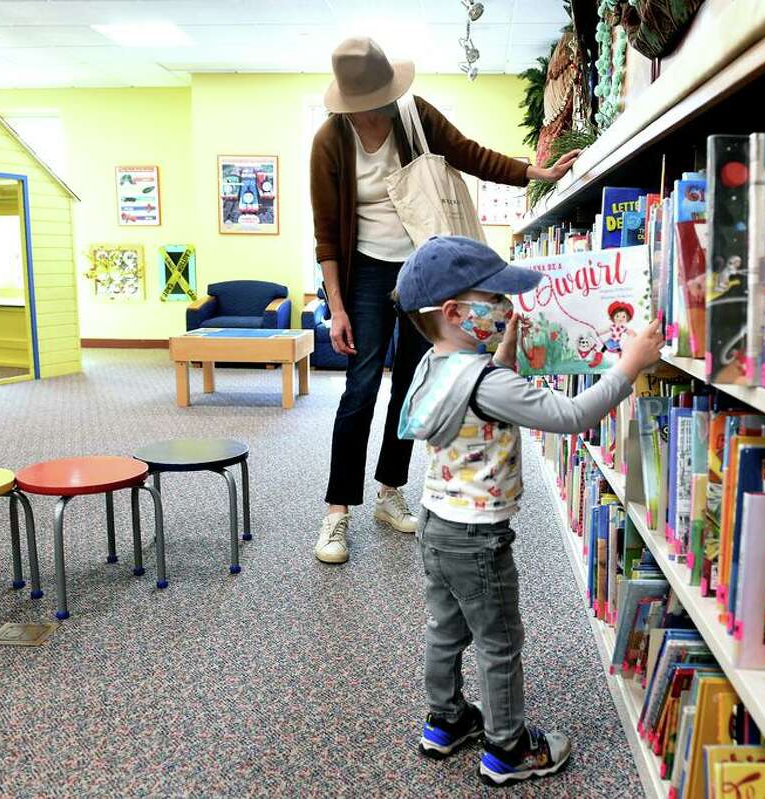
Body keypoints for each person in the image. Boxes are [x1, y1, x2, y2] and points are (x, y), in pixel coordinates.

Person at [393, 235, 664, 785]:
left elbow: (480, 406)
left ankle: (445, 722)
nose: (506, 308)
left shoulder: (435, 366)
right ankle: (508, 747)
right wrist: (629, 365)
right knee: (499, 642)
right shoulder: (489, 383)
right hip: (479, 540)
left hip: (436, 525)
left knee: (445, 628)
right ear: (455, 312)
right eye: (495, 300)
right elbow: (570, 415)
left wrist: (505, 347)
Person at [309, 37, 581, 565]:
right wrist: (337, 306)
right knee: (360, 387)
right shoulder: (329, 140)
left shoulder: (413, 116)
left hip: (421, 269)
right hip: (363, 270)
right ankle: (336, 511)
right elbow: (326, 233)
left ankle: (390, 489)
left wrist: (534, 173)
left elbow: (469, 154)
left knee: (415, 382)